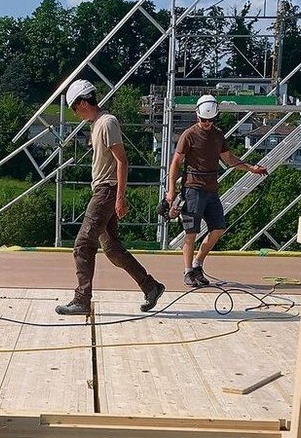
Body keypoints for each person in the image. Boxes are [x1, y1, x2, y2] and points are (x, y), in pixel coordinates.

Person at [55, 79, 165, 317]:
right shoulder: (97, 125)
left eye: (75, 108)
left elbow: (122, 161)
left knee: (83, 245)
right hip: (102, 190)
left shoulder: (107, 122)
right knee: (113, 249)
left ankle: (82, 299)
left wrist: (120, 197)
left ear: (83, 102)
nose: (75, 114)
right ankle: (151, 287)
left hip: (107, 190)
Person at [165, 94, 267, 288]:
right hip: (193, 188)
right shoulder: (189, 135)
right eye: (204, 120)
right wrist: (171, 191)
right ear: (197, 115)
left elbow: (228, 158)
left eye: (210, 121)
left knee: (218, 227)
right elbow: (175, 163)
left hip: (211, 189)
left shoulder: (218, 134)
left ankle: (197, 264)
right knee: (191, 232)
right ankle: (187, 271)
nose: (207, 124)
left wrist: (251, 168)